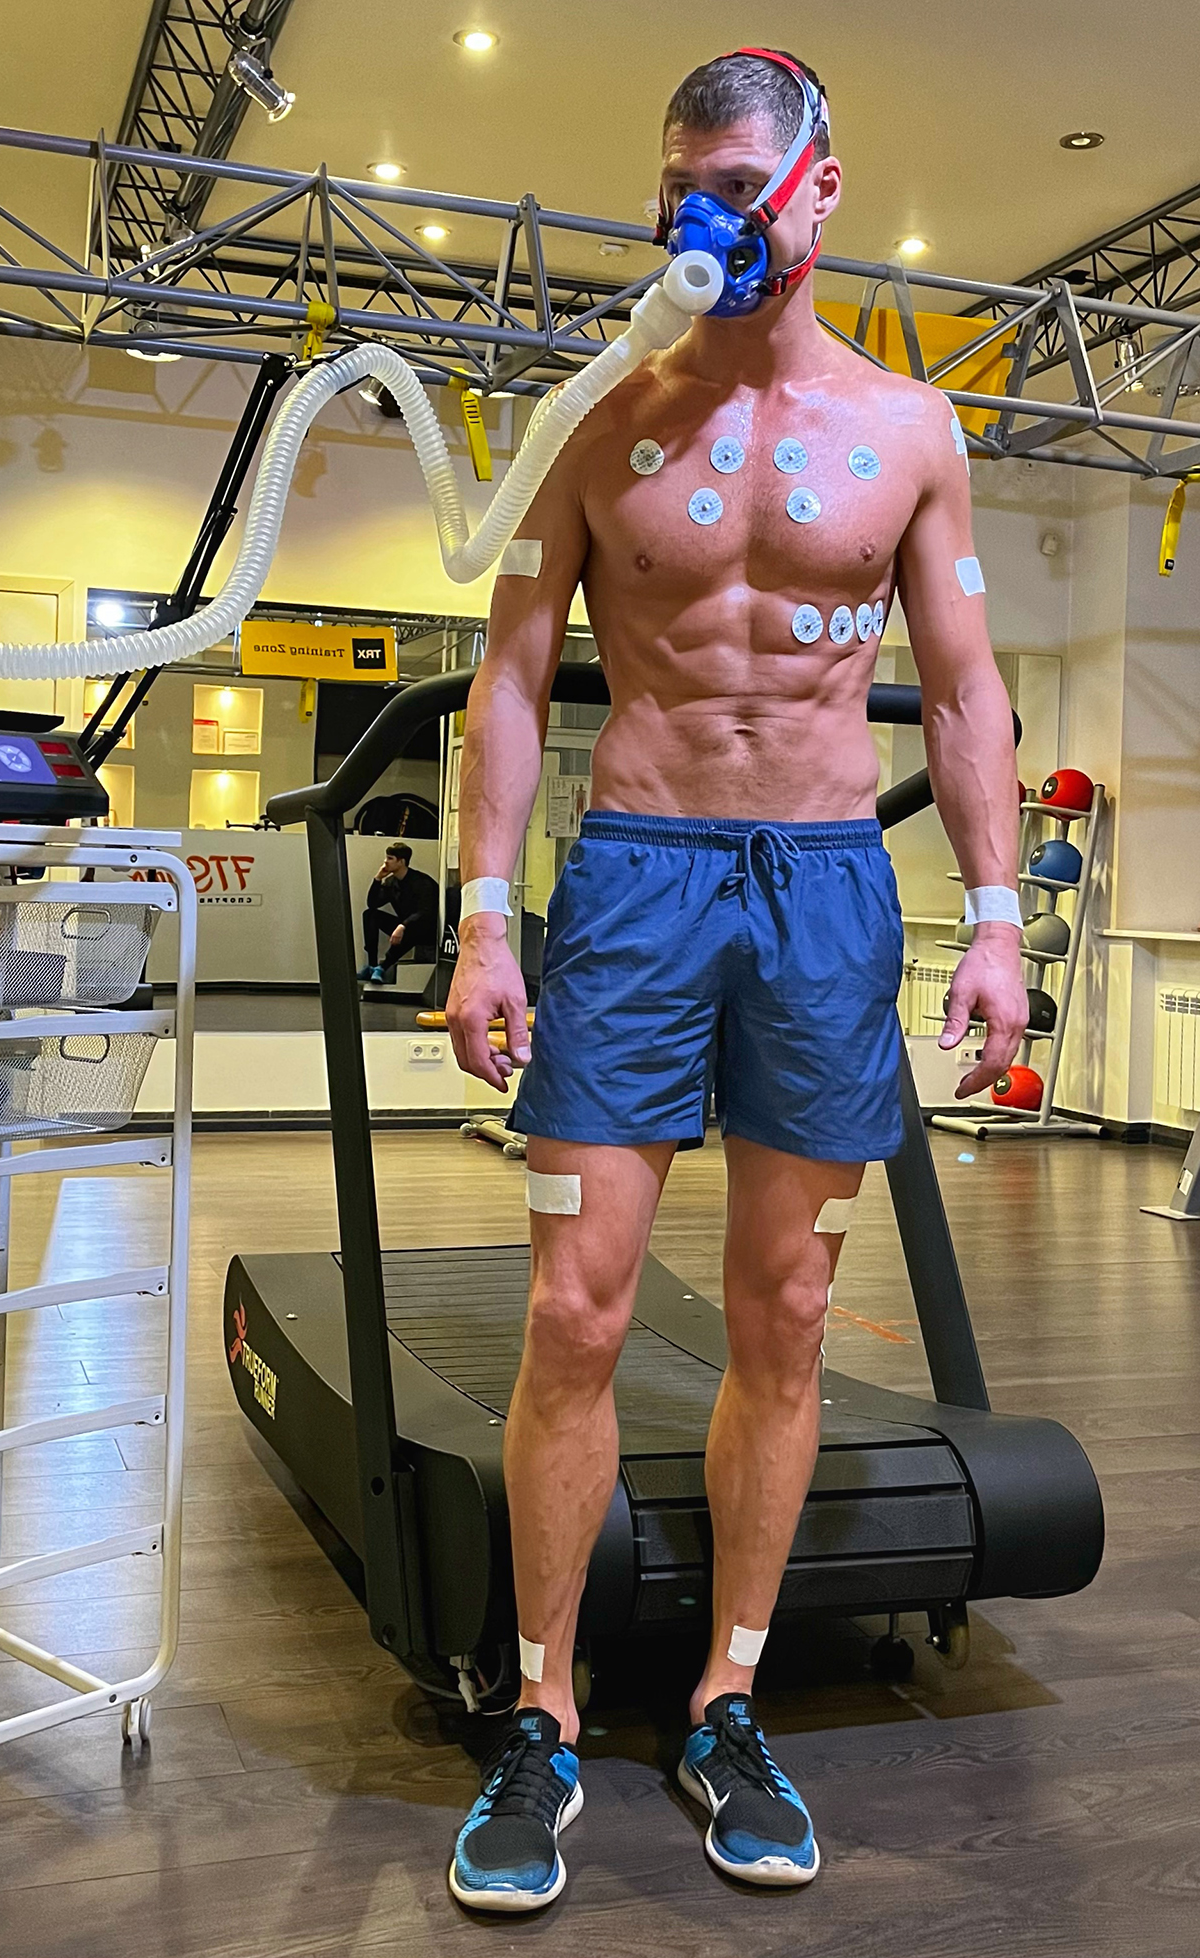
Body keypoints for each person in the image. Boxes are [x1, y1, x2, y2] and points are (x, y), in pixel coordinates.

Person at [441, 47, 1028, 1912]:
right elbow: (513, 674)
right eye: (676, 187)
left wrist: (999, 916)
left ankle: (727, 1698)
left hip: (830, 891)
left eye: (734, 186)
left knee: (787, 1307)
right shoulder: (599, 415)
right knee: (576, 1311)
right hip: (637, 879)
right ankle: (542, 1710)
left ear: (818, 191)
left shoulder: (912, 429)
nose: (701, 219)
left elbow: (963, 692)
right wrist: (481, 910)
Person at [357, 842, 439, 984]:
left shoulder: (422, 882)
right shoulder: (391, 882)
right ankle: (372, 965)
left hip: (425, 929)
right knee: (369, 914)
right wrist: (377, 879)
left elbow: (426, 912)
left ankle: (383, 967)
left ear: (401, 862)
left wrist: (403, 925)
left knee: (410, 930)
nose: (385, 862)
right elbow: (372, 904)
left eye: (390, 858)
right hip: (405, 925)